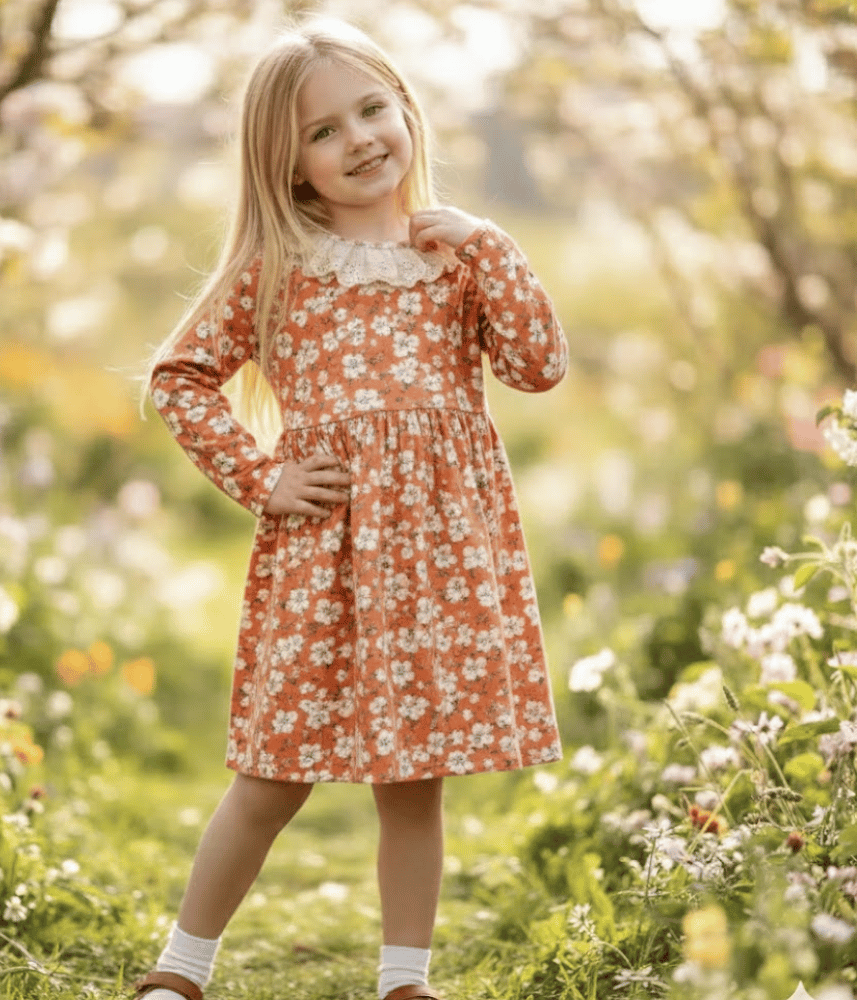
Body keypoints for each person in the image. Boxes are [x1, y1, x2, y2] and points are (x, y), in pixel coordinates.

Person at [134, 17, 568, 1000]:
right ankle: (180, 966)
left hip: (440, 556)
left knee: (414, 778)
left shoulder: (457, 254)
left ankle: (403, 979)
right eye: (324, 131)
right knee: (273, 771)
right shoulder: (280, 262)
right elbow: (179, 378)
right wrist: (261, 477)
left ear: (406, 110)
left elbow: (538, 367)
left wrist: (493, 247)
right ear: (289, 166)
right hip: (321, 552)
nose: (360, 137)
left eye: (373, 109)